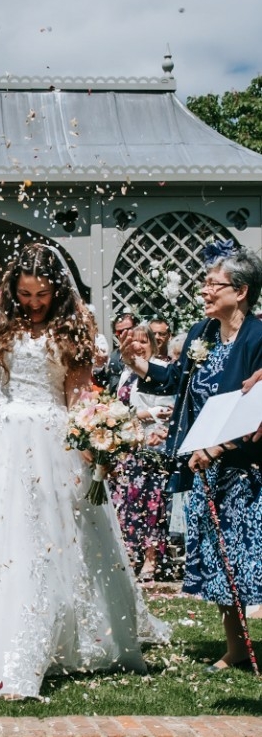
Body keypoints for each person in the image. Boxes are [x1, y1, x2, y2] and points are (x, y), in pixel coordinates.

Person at [0, 243, 169, 698]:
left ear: (56, 290)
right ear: (12, 286)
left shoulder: (73, 325)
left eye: (41, 295)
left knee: (43, 540)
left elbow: (78, 390)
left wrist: (93, 434)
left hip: (50, 442)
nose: (33, 302)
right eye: (25, 293)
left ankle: (51, 637)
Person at [120, 243, 262, 671]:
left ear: (240, 291)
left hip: (244, 464)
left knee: (248, 555)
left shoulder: (258, 337)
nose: (204, 291)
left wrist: (219, 447)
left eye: (212, 284)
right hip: (203, 465)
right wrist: (139, 364)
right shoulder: (202, 333)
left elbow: (257, 407)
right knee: (221, 557)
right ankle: (236, 649)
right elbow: (176, 381)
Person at [110, 324, 174, 582]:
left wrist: (134, 416)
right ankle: (130, 556)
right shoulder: (127, 373)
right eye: (132, 341)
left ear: (153, 343)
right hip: (127, 448)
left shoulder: (160, 369)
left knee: (152, 504)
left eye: (143, 341)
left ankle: (151, 559)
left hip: (152, 446)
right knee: (125, 504)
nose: (138, 346)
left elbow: (167, 409)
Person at [94, 310, 136, 394]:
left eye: (128, 329)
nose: (123, 334)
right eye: (119, 332)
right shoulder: (114, 356)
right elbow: (106, 383)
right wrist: (99, 366)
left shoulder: (146, 352)